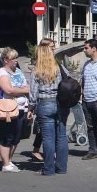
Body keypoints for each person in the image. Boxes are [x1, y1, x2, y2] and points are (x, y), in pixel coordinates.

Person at [28, 45, 69, 176]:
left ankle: (48, 169)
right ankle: (61, 167)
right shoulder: (59, 67)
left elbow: (33, 94)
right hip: (60, 104)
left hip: (45, 104)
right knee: (62, 137)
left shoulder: (36, 71)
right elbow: (69, 81)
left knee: (48, 138)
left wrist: (31, 107)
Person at [0, 47, 29, 173]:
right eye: (13, 58)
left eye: (16, 57)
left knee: (17, 137)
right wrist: (22, 90)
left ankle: (9, 160)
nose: (15, 60)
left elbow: (27, 87)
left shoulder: (19, 71)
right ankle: (5, 164)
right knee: (7, 136)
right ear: (5, 60)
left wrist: (18, 90)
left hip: (21, 108)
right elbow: (8, 90)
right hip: (8, 109)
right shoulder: (2, 72)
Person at [31, 38, 56, 162]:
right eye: (52, 47)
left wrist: (31, 106)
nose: (54, 49)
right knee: (52, 134)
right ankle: (54, 160)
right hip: (53, 103)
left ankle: (49, 161)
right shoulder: (54, 66)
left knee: (47, 135)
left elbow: (33, 91)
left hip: (45, 103)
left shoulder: (40, 67)